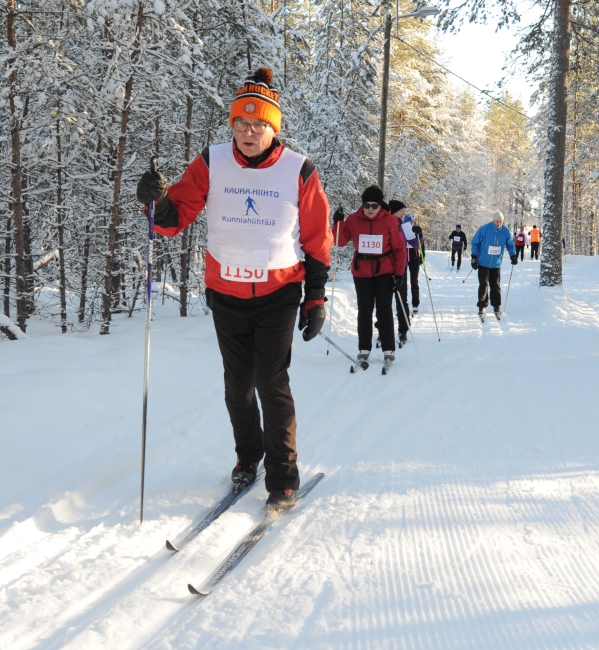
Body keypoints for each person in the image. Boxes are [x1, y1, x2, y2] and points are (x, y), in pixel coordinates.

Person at [136, 67, 332, 511]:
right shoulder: (212, 161)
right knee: (237, 387)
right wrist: (152, 199)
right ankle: (249, 456)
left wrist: (316, 297)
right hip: (225, 293)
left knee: (271, 381)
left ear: (272, 127)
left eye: (258, 124)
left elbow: (318, 238)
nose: (248, 132)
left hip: (279, 292)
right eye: (240, 124)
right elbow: (172, 218)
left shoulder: (299, 169)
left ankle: (283, 479)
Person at [334, 186, 406, 363]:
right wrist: (337, 223)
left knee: (384, 310)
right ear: (362, 204)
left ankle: (388, 348)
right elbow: (339, 241)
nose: (371, 209)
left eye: (375, 205)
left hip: (385, 271)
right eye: (367, 205)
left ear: (381, 205)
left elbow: (399, 248)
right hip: (362, 271)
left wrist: (399, 274)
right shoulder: (353, 219)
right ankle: (364, 347)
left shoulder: (390, 221)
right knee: (364, 310)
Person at [470, 210, 517, 318]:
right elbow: (475, 243)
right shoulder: (484, 229)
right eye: (496, 221)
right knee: (483, 284)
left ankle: (496, 306)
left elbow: (510, 244)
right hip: (483, 262)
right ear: (493, 221)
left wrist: (513, 255)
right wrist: (474, 257)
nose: (498, 223)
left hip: (496, 264)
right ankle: (482, 306)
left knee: (495, 286)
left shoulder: (506, 231)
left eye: (500, 221)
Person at [388, 200, 410, 346]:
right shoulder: (387, 224)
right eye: (402, 210)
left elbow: (414, 243)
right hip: (386, 268)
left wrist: (417, 234)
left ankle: (403, 330)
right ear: (394, 211)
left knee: (402, 300)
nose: (404, 213)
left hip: (401, 267)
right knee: (385, 302)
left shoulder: (405, 226)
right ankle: (384, 330)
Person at [401, 211, 425, 314]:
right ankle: (403, 303)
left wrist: (422, 257)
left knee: (414, 281)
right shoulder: (401, 229)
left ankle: (415, 303)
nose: (410, 224)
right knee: (403, 281)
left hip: (414, 257)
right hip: (403, 257)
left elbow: (422, 244)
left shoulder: (416, 230)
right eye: (408, 222)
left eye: (411, 222)